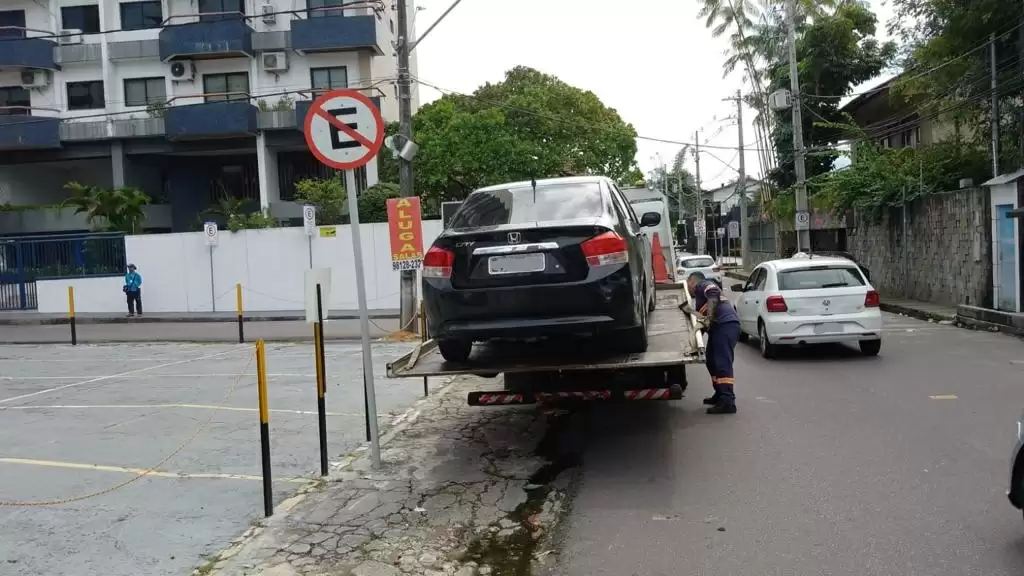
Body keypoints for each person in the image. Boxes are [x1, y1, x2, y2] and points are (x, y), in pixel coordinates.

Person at [680, 271, 740, 414]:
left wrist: (710, 317)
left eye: (688, 285)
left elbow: (713, 293)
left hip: (725, 325)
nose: (688, 289)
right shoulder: (700, 300)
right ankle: (720, 393)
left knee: (722, 362)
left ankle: (728, 401)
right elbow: (703, 321)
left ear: (691, 281)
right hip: (719, 327)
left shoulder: (703, 284)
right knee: (711, 360)